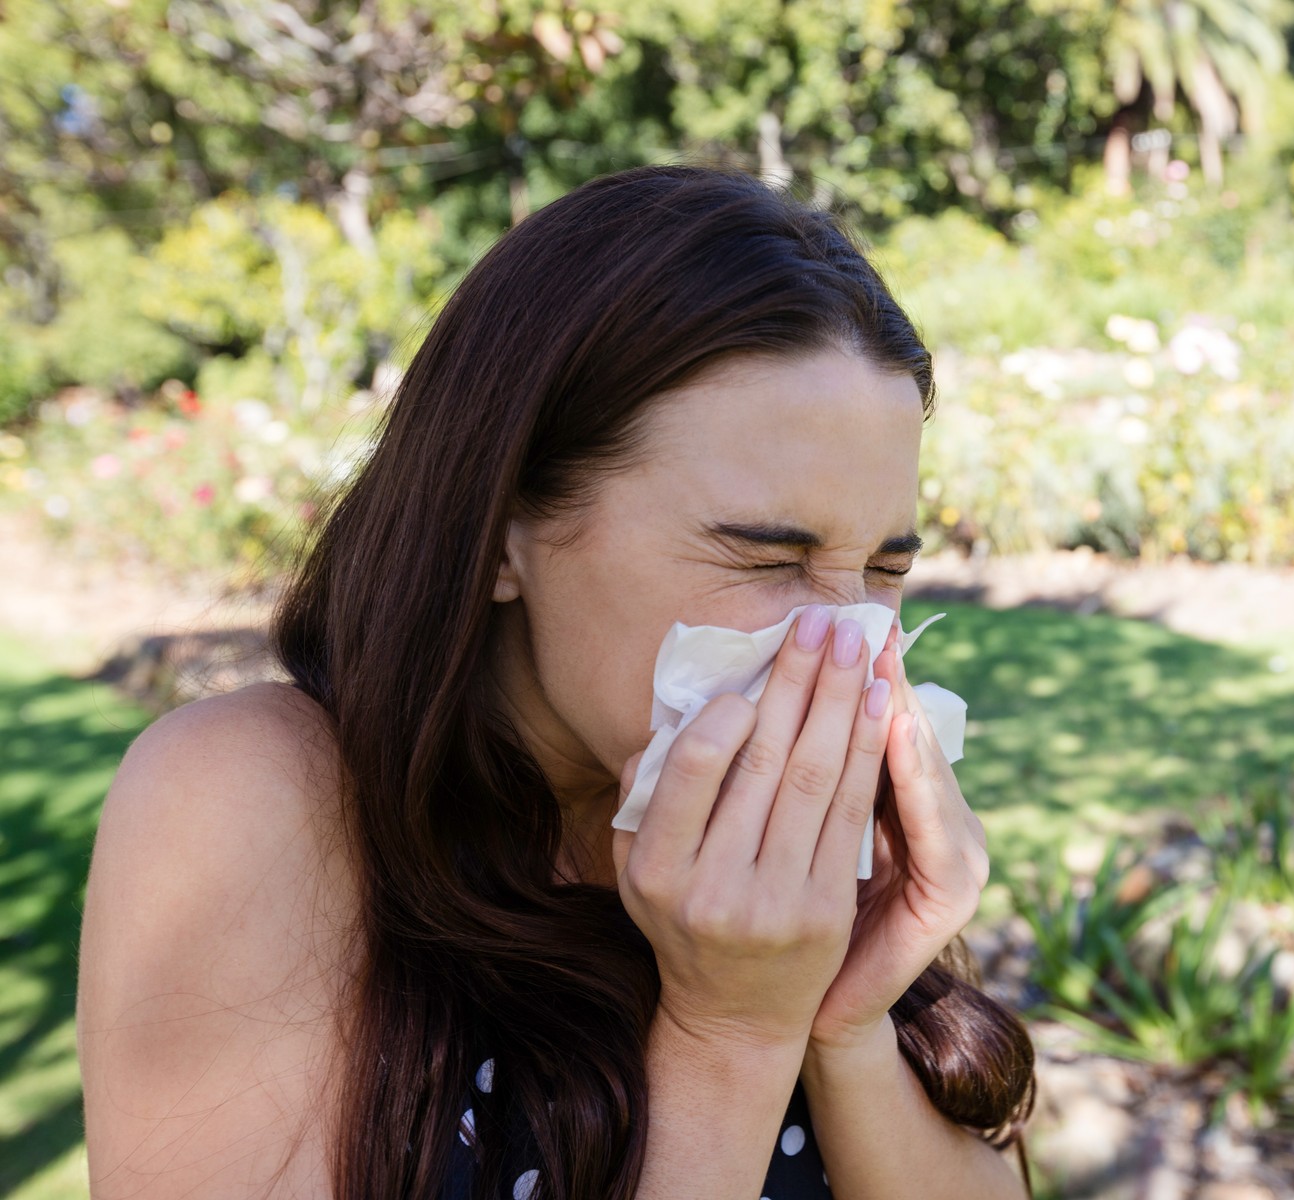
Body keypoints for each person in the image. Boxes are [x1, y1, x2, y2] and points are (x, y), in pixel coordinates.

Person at [76, 164, 1037, 1200]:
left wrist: (845, 1011)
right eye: (765, 558)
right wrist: (732, 1032)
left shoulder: (803, 851)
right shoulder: (250, 803)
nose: (853, 650)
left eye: (886, 573)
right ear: (498, 534)